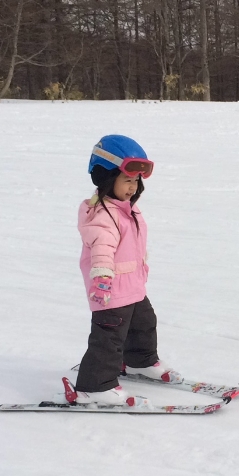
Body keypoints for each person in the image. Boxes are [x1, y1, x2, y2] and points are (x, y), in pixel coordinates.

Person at [64, 135, 181, 406]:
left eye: (136, 181)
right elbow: (102, 249)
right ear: (106, 178)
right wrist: (102, 278)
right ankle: (95, 386)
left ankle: (141, 361)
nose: (132, 187)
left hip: (133, 287)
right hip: (109, 291)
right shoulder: (103, 215)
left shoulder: (129, 211)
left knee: (144, 324)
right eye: (127, 180)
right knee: (108, 338)